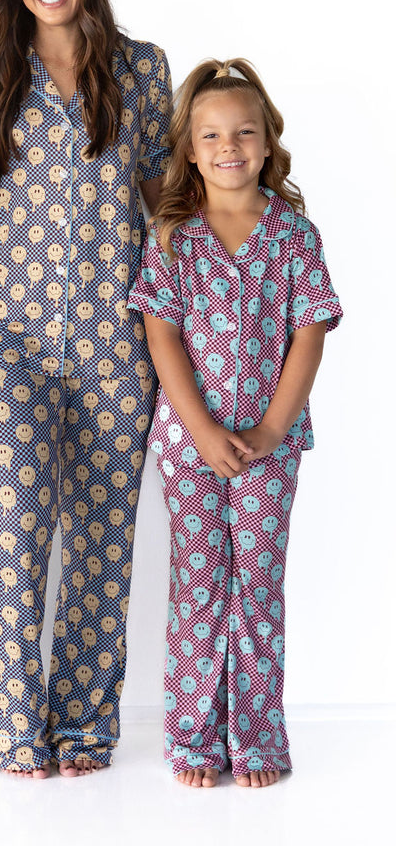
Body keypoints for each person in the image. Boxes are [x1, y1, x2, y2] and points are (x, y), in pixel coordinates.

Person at [0, 0, 171, 777]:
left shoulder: (143, 67)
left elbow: (161, 200)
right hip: (9, 336)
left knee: (102, 540)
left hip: (117, 338)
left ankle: (84, 726)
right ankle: (14, 727)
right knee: (14, 528)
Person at [128, 59, 342, 788]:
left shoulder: (294, 234)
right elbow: (161, 335)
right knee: (198, 588)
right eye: (212, 135)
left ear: (267, 141)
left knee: (257, 587)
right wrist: (201, 430)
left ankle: (255, 739)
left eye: (245, 132)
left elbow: (310, 333)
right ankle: (193, 740)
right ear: (191, 150)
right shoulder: (174, 237)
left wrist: (273, 430)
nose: (229, 147)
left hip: (270, 448)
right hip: (189, 445)